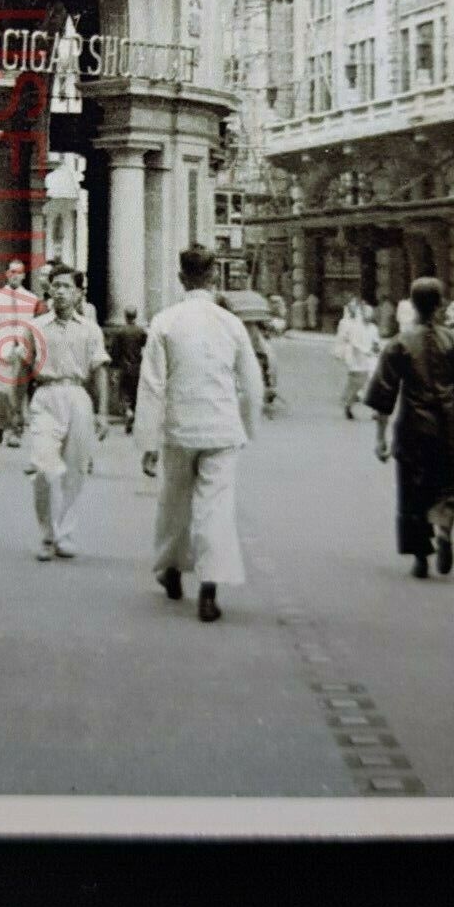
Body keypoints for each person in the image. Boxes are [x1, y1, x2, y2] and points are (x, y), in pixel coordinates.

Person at [136, 245, 265, 624]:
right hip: (223, 428)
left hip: (179, 428)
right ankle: (210, 588)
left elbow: (152, 385)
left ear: (180, 278)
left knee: (173, 502)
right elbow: (252, 383)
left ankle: (172, 570)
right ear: (214, 278)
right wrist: (246, 426)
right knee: (216, 507)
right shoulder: (232, 324)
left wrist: (147, 441)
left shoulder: (165, 321)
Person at [364, 276, 454, 580]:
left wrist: (380, 438)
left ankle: (421, 556)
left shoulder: (399, 344)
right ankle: (445, 529)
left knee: (412, 491)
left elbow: (384, 394)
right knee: (448, 486)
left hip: (412, 429)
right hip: (451, 428)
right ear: (440, 305)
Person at [22, 265, 109, 561]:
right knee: (44, 468)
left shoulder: (90, 329)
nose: (59, 292)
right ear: (48, 290)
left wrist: (102, 413)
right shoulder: (36, 327)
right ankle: (46, 534)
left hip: (77, 395)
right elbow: (24, 367)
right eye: (55, 286)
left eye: (66, 287)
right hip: (45, 395)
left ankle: (65, 534)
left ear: (79, 293)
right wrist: (18, 409)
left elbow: (99, 371)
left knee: (75, 470)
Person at [0, 258, 39, 447]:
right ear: (7, 274)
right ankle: (0, 425)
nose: (15, 276)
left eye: (19, 272)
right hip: (1, 352)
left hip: (21, 351)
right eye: (12, 272)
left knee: (18, 393)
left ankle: (16, 430)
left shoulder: (31, 299)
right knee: (1, 392)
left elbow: (33, 328)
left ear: (23, 275)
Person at [109, 307, 147, 434]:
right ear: (136, 316)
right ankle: (132, 414)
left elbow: (114, 353)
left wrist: (113, 370)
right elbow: (145, 347)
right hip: (137, 367)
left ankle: (128, 412)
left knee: (123, 394)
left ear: (125, 316)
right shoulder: (141, 331)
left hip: (124, 368)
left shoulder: (120, 332)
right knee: (135, 394)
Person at [335, 299, 372, 420]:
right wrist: (364, 351)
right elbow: (353, 342)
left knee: (360, 379)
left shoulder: (367, 327)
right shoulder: (353, 325)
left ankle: (350, 400)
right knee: (358, 379)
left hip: (363, 357)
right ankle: (348, 401)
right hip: (356, 356)